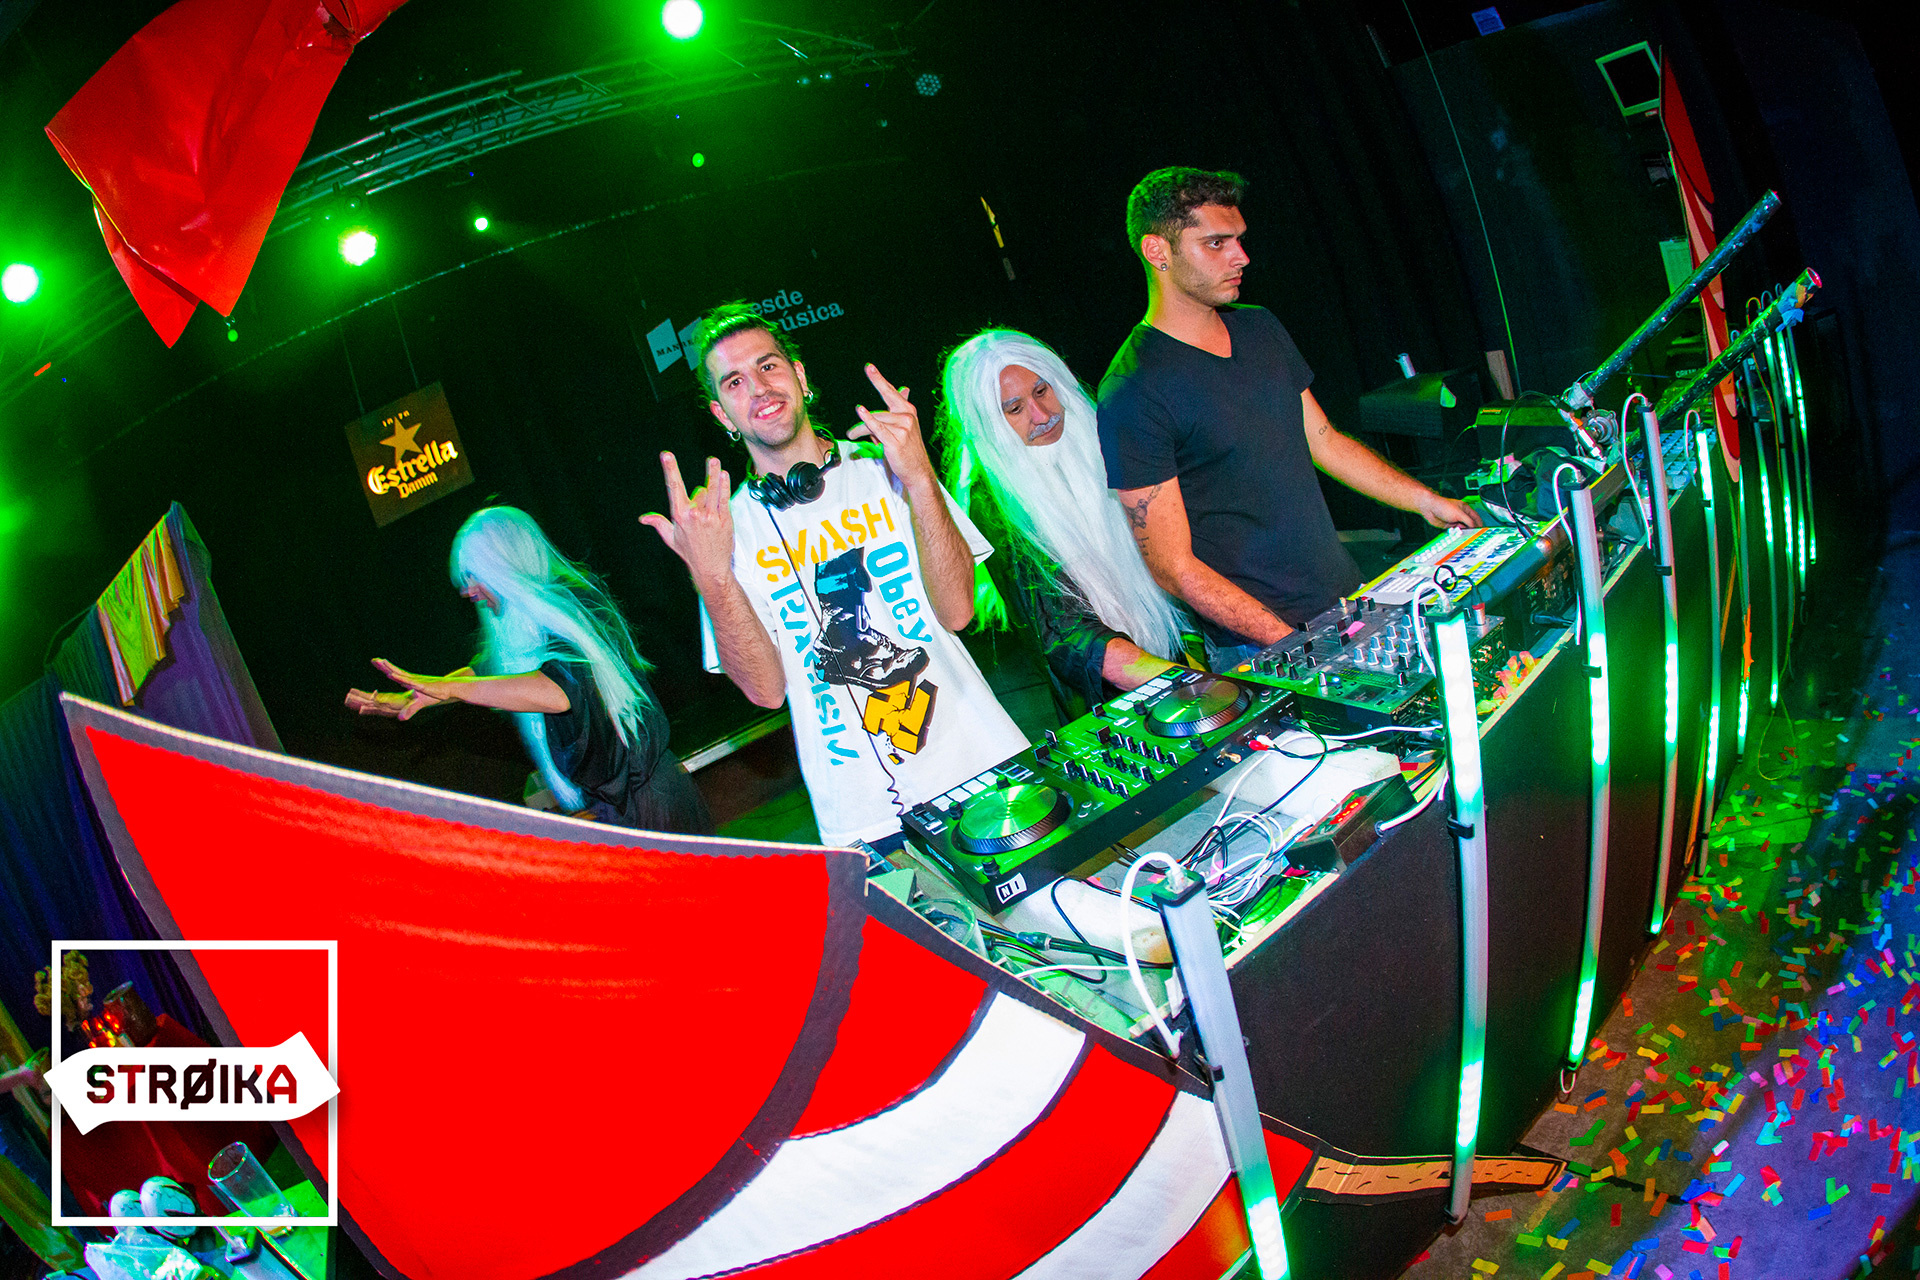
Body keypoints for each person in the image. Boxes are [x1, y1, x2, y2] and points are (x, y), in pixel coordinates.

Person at [640, 302, 1028, 852]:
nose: (759, 388)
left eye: (768, 366)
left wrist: (919, 477)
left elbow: (959, 611)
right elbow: (765, 692)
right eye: (735, 381)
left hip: (980, 759)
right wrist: (713, 577)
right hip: (860, 817)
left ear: (800, 376)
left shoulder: (888, 465)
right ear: (722, 415)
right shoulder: (725, 531)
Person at [1097, 166, 1480, 672]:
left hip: (1346, 600)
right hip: (1260, 644)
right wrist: (1292, 643)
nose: (1241, 257)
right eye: (1216, 243)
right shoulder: (1133, 390)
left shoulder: (1259, 326)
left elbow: (1324, 441)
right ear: (1157, 251)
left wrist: (1426, 501)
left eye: (1239, 239)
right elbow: (1173, 568)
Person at [346, 506, 711, 834]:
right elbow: (485, 672)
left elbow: (560, 690)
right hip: (615, 809)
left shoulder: (573, 606)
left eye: (473, 576)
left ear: (501, 566)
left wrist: (452, 690)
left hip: (651, 806)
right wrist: (421, 695)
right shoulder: (524, 625)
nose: (468, 591)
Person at [937, 328, 1189, 716]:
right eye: (1015, 409)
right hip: (1112, 705)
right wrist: (1191, 685)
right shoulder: (993, 506)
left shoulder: (1106, 440)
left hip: (1172, 665)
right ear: (989, 424)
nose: (1042, 416)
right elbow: (1067, 633)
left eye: (1042, 391)